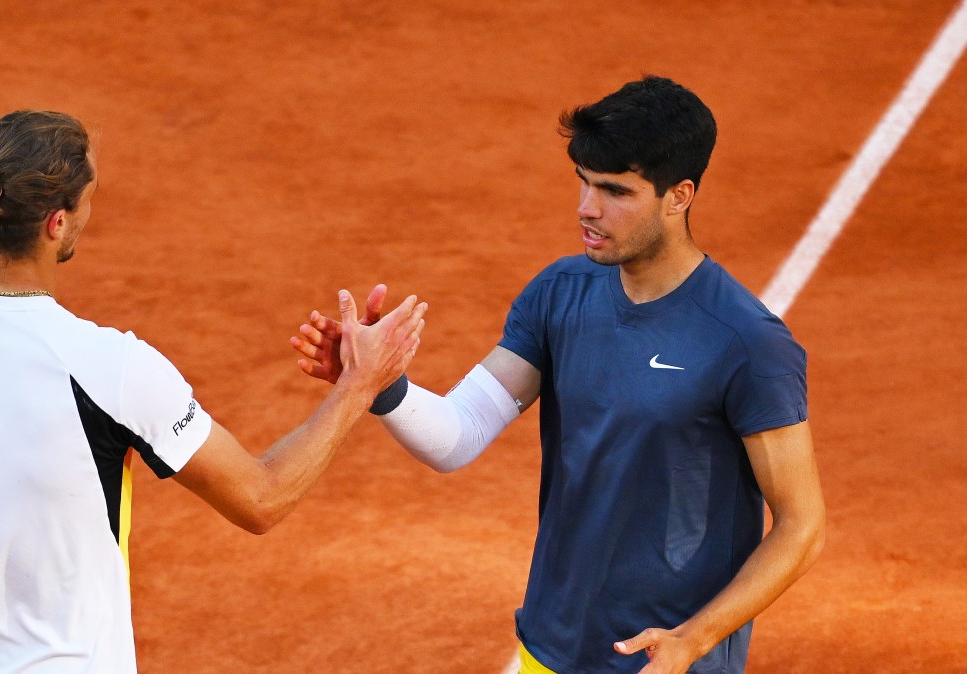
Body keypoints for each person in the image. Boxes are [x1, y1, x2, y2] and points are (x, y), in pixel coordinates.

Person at [0, 109, 427, 673]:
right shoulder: (113, 368)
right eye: (87, 201)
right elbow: (261, 499)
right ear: (57, 223)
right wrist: (359, 385)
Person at [291, 76, 825, 674]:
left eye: (615, 191)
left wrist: (693, 640)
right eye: (584, 184)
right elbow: (457, 435)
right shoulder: (560, 293)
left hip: (664, 663)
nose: (587, 209)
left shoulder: (748, 344)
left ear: (679, 196)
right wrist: (376, 386)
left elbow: (801, 526)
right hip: (549, 647)